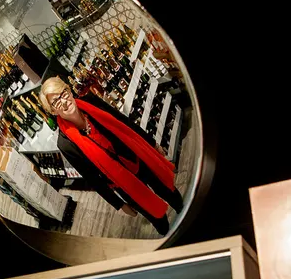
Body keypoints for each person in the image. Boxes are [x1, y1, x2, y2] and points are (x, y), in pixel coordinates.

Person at [39, 77, 183, 235]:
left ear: (69, 90)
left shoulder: (91, 101)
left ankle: (185, 212)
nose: (64, 101)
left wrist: (152, 143)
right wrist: (118, 204)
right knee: (156, 217)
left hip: (135, 156)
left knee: (169, 191)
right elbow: (91, 178)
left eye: (63, 93)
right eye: (56, 102)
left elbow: (123, 122)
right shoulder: (65, 144)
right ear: (53, 111)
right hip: (122, 183)